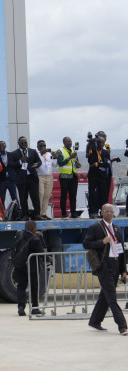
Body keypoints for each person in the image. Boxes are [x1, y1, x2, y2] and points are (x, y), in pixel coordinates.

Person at [83, 204, 127, 334]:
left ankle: (95, 321)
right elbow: (86, 244)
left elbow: (122, 252)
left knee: (105, 296)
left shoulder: (118, 229)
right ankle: (122, 326)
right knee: (112, 298)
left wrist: (123, 271)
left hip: (115, 264)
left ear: (114, 214)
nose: (109, 213)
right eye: (106, 211)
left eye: (111, 211)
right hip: (104, 265)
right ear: (101, 213)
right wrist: (101, 242)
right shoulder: (95, 227)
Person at [13, 220, 45, 316]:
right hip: (32, 267)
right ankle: (35, 308)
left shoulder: (19, 236)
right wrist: (49, 259)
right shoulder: (35, 239)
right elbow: (41, 253)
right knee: (34, 287)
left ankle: (21, 307)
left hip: (20, 265)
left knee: (21, 286)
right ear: (33, 228)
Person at [8, 136, 41, 219]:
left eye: (25, 142)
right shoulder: (13, 153)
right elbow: (10, 165)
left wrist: (36, 164)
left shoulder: (33, 151)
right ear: (18, 143)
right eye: (22, 143)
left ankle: (37, 214)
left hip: (32, 177)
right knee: (23, 198)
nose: (24, 144)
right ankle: (25, 215)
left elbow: (39, 161)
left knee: (35, 197)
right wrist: (20, 161)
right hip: (21, 179)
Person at [55, 137, 81, 217]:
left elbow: (76, 162)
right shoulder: (60, 151)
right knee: (64, 196)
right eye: (68, 141)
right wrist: (70, 157)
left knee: (73, 195)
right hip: (65, 176)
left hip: (73, 176)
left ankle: (73, 212)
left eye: (71, 141)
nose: (70, 143)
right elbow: (60, 163)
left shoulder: (73, 151)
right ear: (64, 142)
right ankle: (63, 213)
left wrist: (78, 164)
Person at [87, 136, 113, 218]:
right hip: (93, 175)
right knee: (92, 193)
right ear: (96, 143)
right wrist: (96, 163)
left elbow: (107, 164)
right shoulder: (93, 151)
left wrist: (97, 164)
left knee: (103, 194)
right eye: (100, 143)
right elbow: (90, 161)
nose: (101, 144)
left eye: (103, 143)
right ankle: (92, 211)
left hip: (102, 176)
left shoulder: (106, 152)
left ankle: (104, 212)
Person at [0, 140, 19, 211]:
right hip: (2, 180)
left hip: (11, 179)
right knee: (2, 198)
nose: (2, 147)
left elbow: (16, 165)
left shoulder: (11, 155)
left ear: (5, 146)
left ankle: (17, 212)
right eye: (0, 145)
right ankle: (3, 214)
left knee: (14, 197)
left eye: (3, 145)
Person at [36, 141, 54, 219]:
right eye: (41, 146)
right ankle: (39, 213)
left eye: (44, 145)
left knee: (47, 195)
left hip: (49, 177)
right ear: (38, 147)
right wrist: (41, 153)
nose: (43, 147)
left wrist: (55, 157)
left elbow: (55, 165)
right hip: (40, 176)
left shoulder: (49, 155)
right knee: (41, 194)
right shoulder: (37, 155)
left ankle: (44, 213)